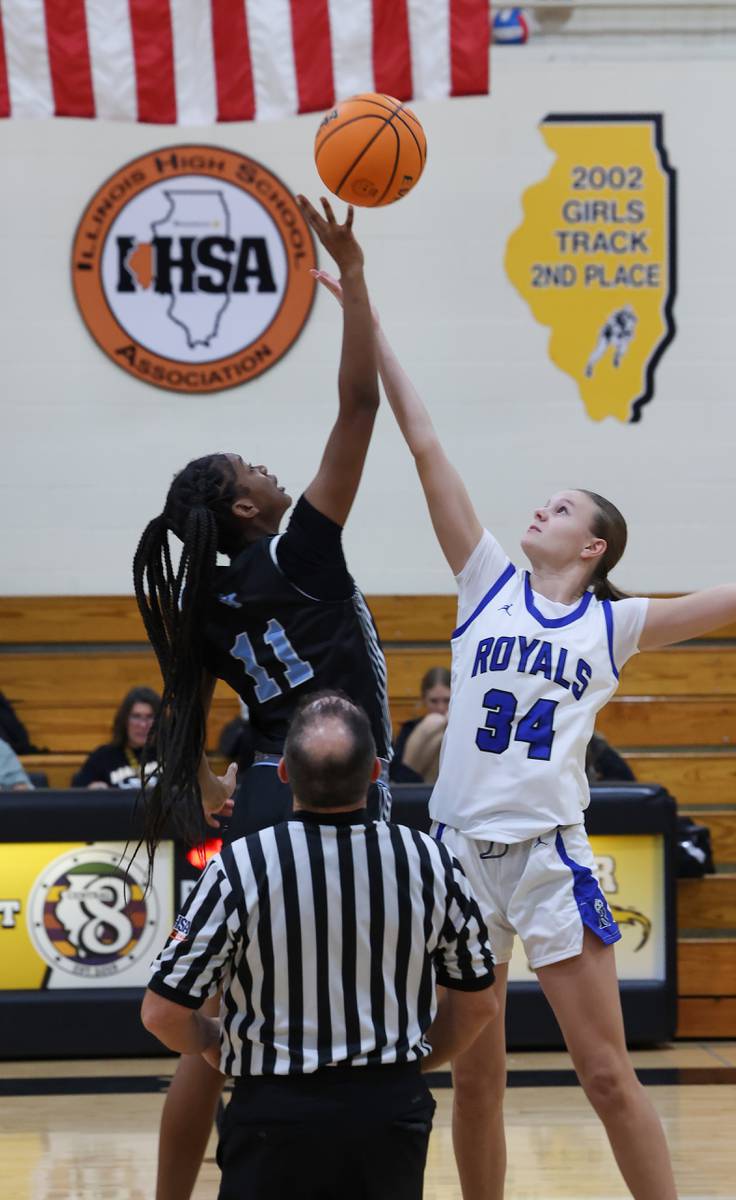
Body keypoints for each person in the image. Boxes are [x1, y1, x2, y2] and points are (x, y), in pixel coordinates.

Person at [316, 268, 736, 1200]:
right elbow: (423, 443)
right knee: (476, 1077)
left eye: (564, 508)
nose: (541, 507)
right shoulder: (485, 579)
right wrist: (364, 310)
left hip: (547, 859)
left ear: (594, 549)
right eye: (545, 500)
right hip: (455, 857)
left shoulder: (612, 625)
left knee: (608, 1074)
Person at [133, 199, 393, 1200]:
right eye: (253, 468)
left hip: (268, 799)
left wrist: (213, 775)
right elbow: (359, 411)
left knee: (226, 1021)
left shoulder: (203, 603)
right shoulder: (298, 552)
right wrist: (354, 280)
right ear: (246, 507)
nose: (269, 467)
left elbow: (189, 724)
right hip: (334, 785)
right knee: (348, 1001)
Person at [141, 692, 497, 1200]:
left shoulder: (238, 866)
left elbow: (161, 1013)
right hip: (388, 1114)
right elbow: (479, 1001)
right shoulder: (430, 862)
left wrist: (212, 1044)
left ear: (283, 772)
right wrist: (405, 1066)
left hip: (273, 1116)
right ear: (376, 771)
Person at [71, 686, 160, 789]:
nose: (143, 725)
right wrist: (91, 789)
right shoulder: (103, 757)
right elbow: (75, 793)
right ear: (124, 720)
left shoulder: (173, 754)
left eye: (150, 717)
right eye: (136, 716)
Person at [391, 666, 451, 784]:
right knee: (435, 723)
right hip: (413, 790)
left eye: (447, 700)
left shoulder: (466, 730)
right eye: (434, 701)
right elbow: (397, 775)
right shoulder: (410, 729)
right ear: (424, 699)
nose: (441, 707)